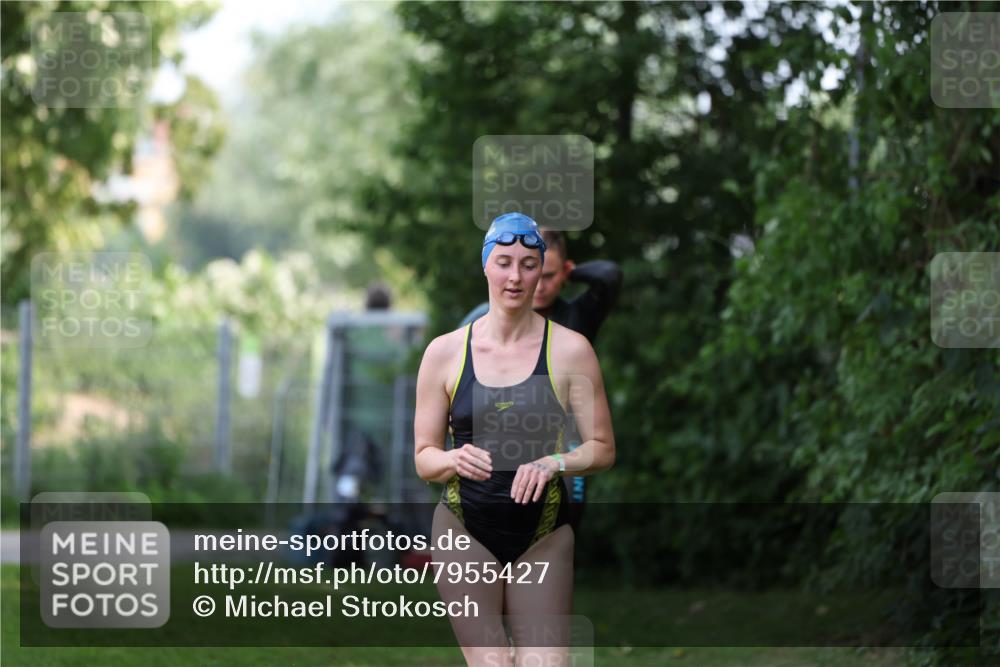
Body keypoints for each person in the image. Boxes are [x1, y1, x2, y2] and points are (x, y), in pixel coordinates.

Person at [414, 212, 616, 666]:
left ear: (543, 271)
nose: (516, 276)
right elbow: (424, 458)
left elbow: (602, 447)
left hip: (543, 533)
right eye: (504, 261)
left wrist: (555, 463)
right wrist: (453, 459)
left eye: (529, 264)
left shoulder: (571, 350)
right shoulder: (445, 353)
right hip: (464, 529)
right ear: (485, 264)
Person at [459, 229, 622, 533]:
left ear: (565, 274)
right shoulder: (485, 319)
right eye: (536, 271)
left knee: (565, 517)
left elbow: (610, 275)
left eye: (550, 274)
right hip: (509, 431)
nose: (542, 286)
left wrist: (569, 271)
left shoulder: (577, 316)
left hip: (566, 432)